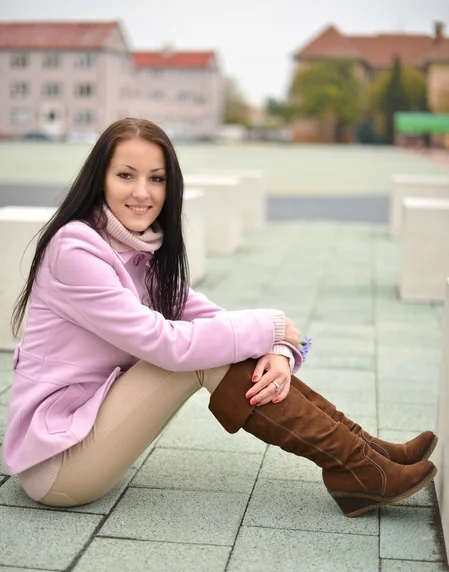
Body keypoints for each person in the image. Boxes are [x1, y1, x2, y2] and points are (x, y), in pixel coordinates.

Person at [3, 118, 437, 518]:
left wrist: (280, 348)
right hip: (57, 462)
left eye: (156, 179)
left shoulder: (140, 250)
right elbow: (168, 345)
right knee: (199, 353)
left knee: (215, 341)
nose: (143, 192)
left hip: (91, 424)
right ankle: (356, 467)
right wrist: (271, 327)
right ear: (99, 178)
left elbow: (213, 320)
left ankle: (366, 453)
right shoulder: (76, 249)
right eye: (125, 175)